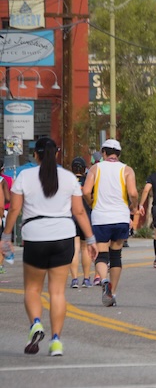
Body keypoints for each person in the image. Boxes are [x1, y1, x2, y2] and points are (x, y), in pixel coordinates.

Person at [2, 138, 97, 356]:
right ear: (56, 154)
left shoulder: (24, 176)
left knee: (33, 289)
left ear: (35, 154)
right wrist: (90, 240)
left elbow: (14, 210)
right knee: (57, 293)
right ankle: (56, 342)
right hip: (63, 236)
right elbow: (79, 212)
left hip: (35, 236)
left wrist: (6, 236)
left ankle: (36, 323)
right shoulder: (69, 177)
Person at [82, 139, 138, 308]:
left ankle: (104, 280)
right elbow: (133, 192)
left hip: (100, 217)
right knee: (116, 256)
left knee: (101, 254)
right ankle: (113, 292)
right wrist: (133, 207)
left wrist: (92, 202)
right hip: (121, 217)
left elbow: (85, 191)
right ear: (119, 154)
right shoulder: (127, 170)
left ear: (103, 153)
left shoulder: (95, 168)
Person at [68, 157, 93, 289]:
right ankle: (87, 279)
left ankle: (74, 279)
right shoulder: (87, 182)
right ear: (84, 169)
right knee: (85, 248)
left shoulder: (68, 182)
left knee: (75, 248)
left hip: (71, 216)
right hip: (85, 216)